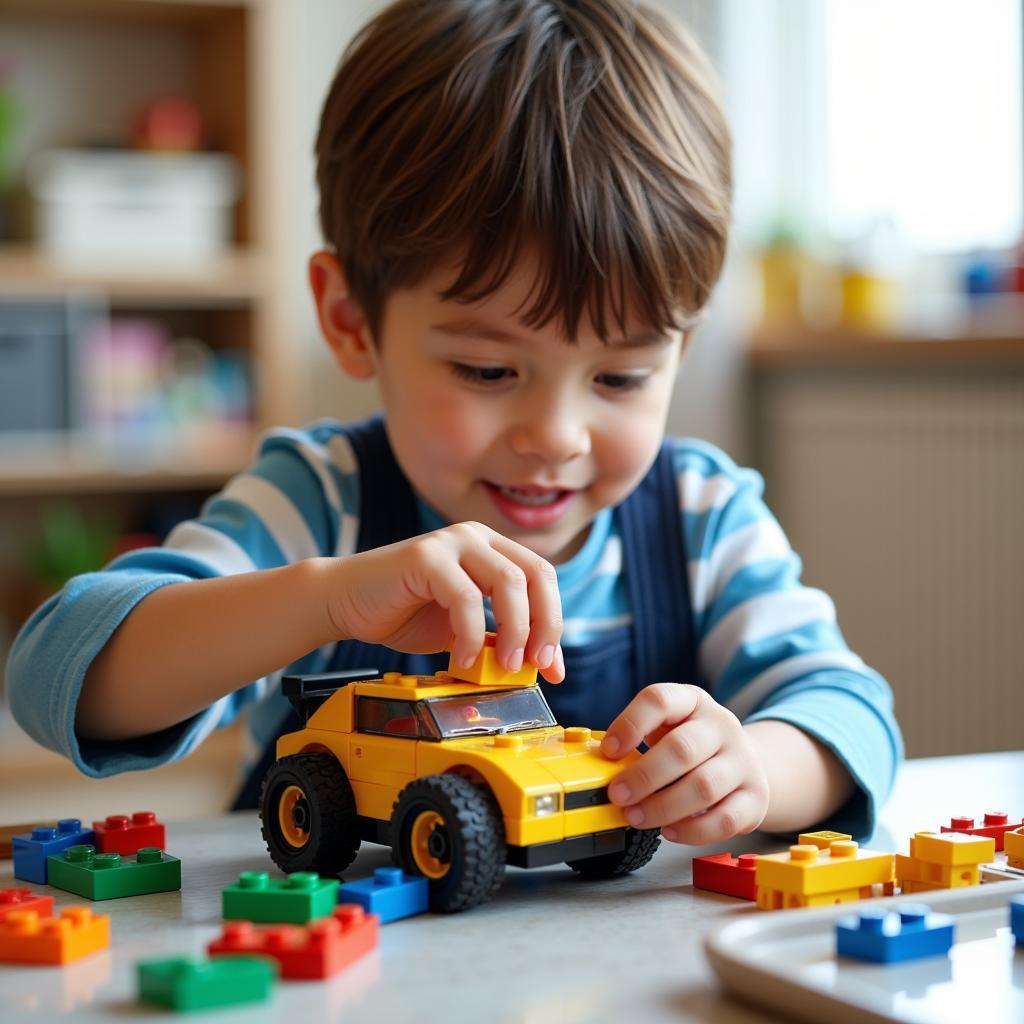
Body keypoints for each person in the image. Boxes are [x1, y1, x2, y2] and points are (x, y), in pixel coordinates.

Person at [6, 0, 902, 844]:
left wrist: (753, 766)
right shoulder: (324, 501)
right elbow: (58, 676)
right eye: (487, 369)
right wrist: (323, 598)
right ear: (352, 320)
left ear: (683, 347)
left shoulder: (700, 516)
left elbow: (847, 711)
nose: (557, 434)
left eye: (623, 375)